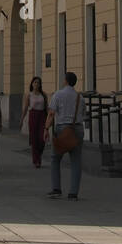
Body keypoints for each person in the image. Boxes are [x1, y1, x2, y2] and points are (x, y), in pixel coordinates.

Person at [46, 71, 85, 200]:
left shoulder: (58, 94)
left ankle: (56, 189)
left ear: (66, 81)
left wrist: (46, 128)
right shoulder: (80, 97)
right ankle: (73, 193)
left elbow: (51, 114)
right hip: (77, 129)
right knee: (76, 161)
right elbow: (83, 114)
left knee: (55, 159)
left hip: (62, 129)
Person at [21, 76, 49, 168]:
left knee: (42, 138)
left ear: (40, 85)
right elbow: (25, 108)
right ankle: (36, 160)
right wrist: (21, 119)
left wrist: (49, 118)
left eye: (38, 82)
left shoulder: (43, 94)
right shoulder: (29, 95)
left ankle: (39, 154)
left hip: (42, 116)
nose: (36, 84)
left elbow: (47, 108)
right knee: (34, 139)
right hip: (33, 116)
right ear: (32, 84)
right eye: (35, 82)